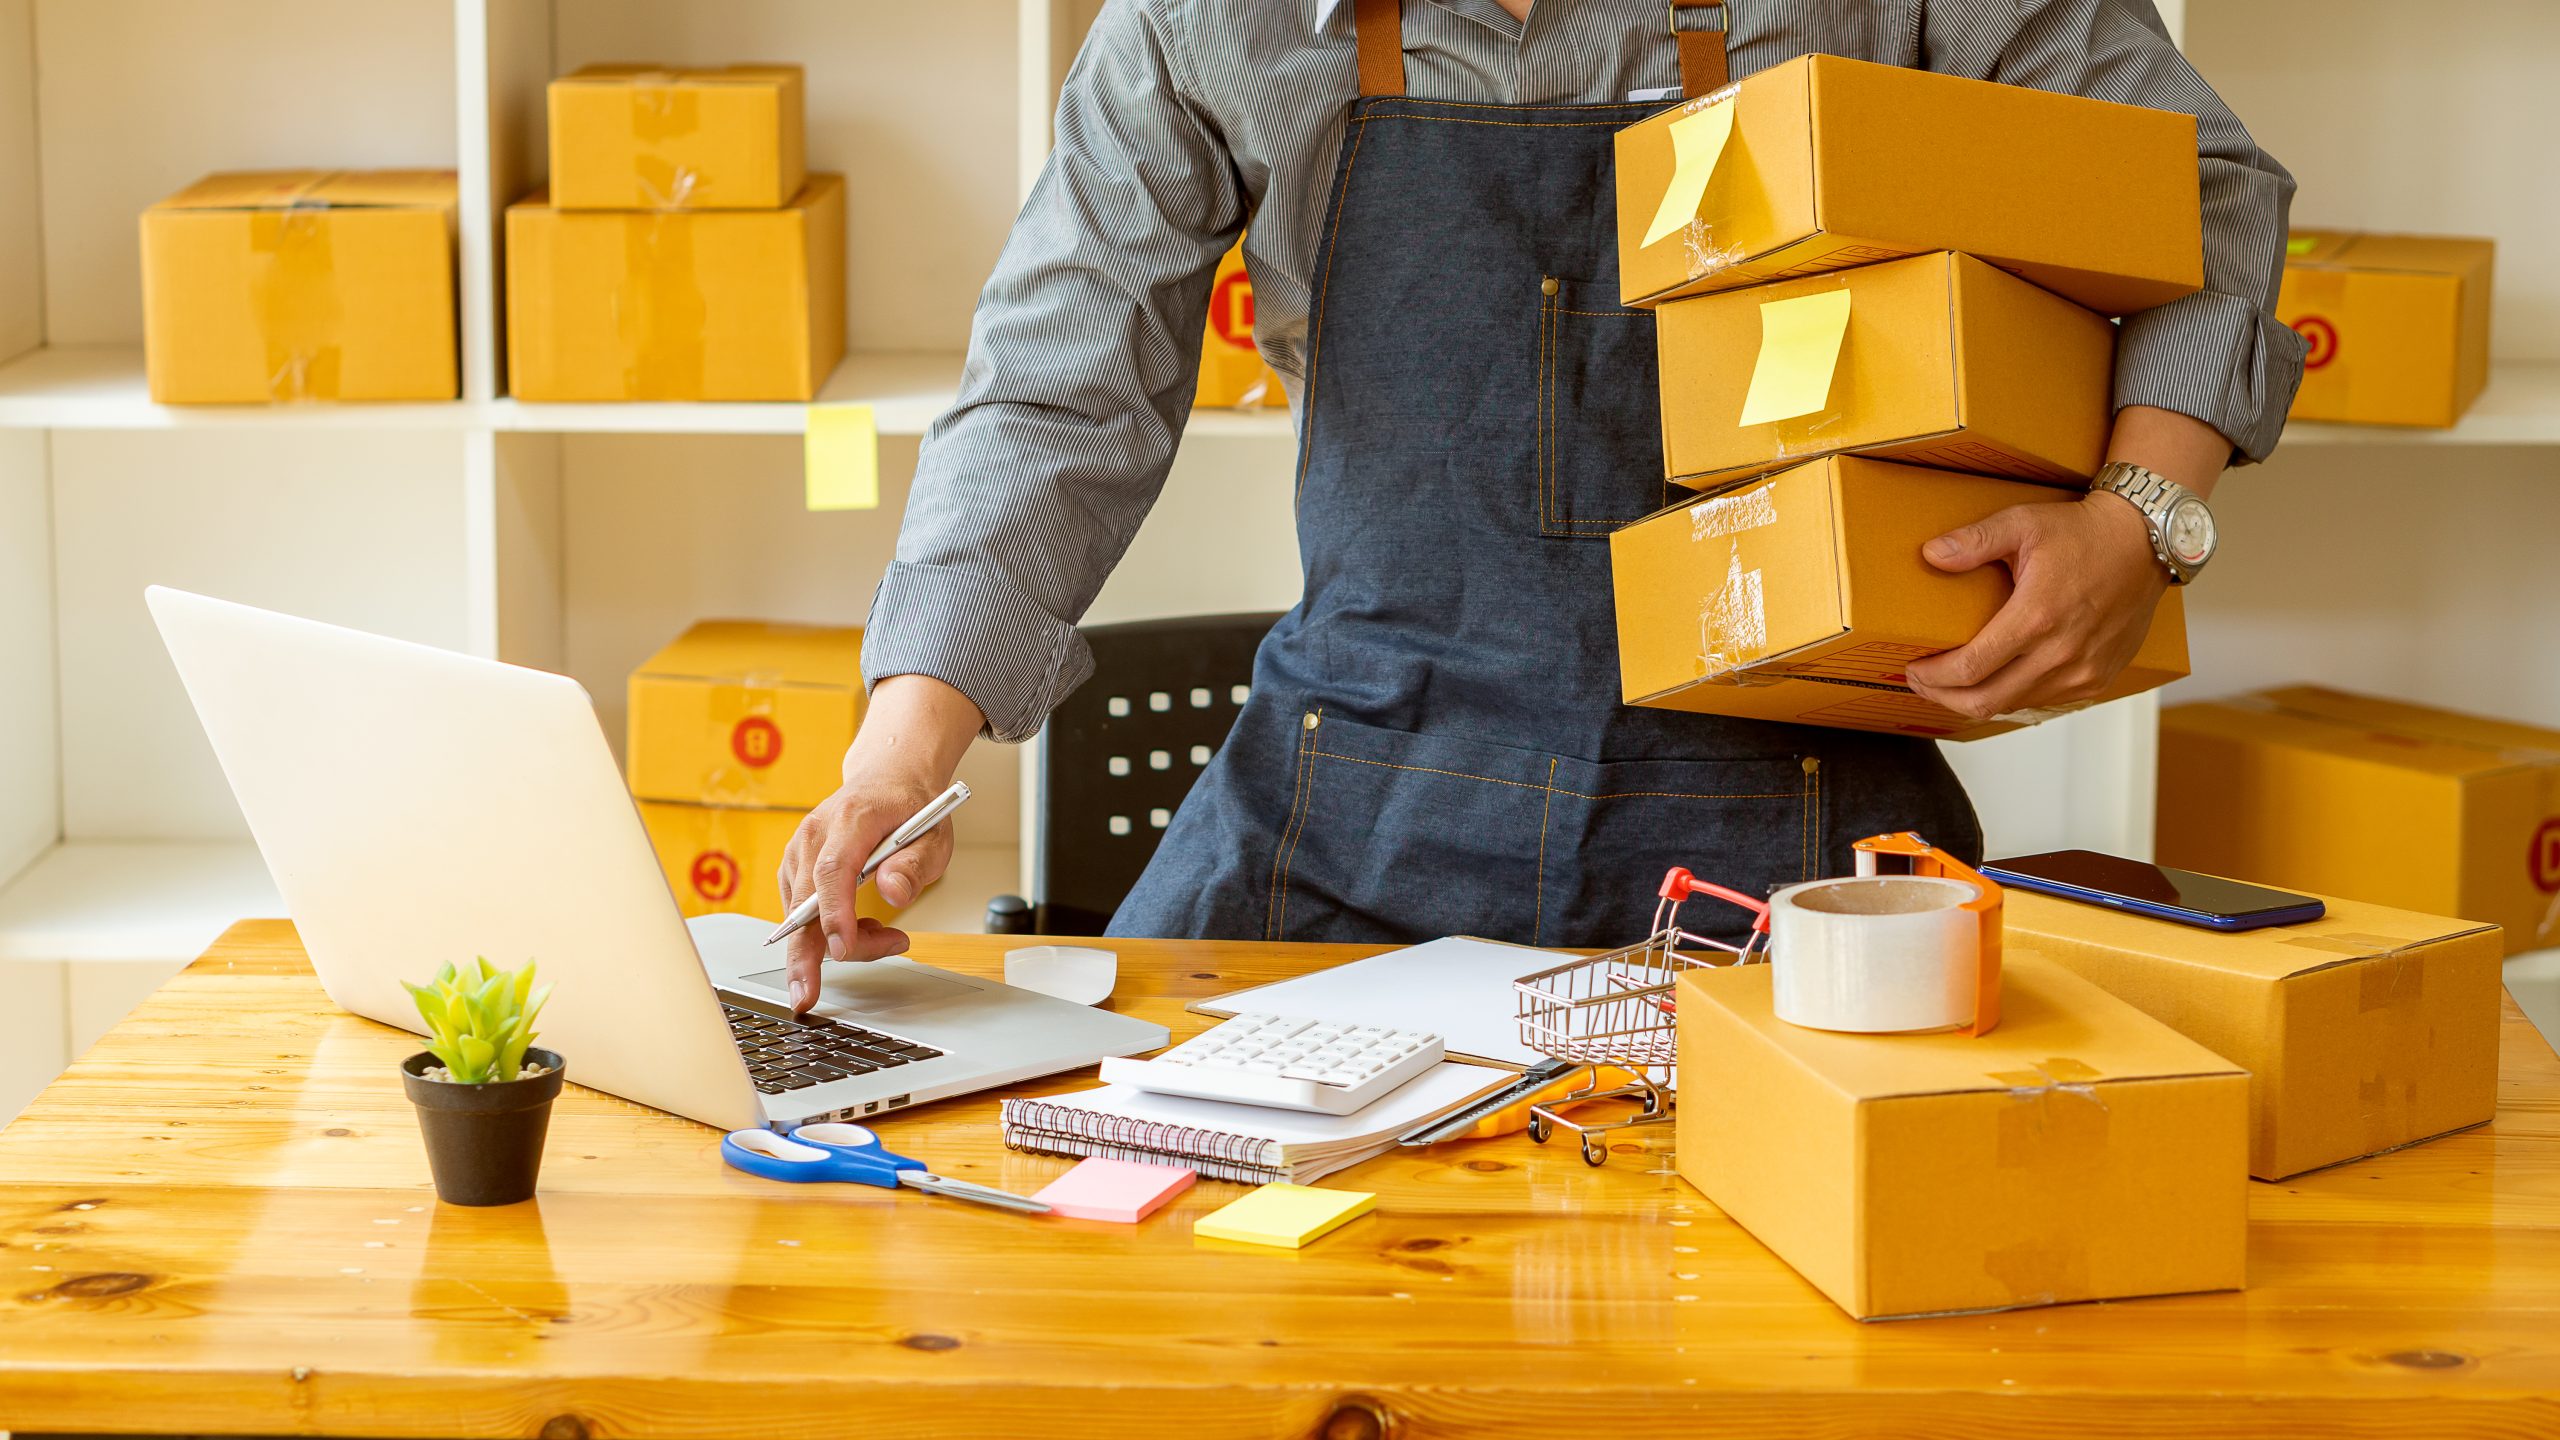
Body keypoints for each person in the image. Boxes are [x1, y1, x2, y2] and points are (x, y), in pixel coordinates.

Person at [776, 0, 2304, 1014]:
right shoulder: (1209, 20)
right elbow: (1060, 381)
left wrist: (2141, 510)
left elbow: (2208, 189)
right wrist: (897, 757)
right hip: (1343, 818)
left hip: (1791, 821)